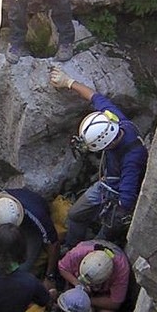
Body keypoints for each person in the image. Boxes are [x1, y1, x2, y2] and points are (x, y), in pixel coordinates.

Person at [49, 67, 148, 246]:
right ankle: (72, 247)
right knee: (75, 215)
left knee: (102, 238)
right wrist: (69, 82)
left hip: (115, 191)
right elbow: (95, 97)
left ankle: (91, 249)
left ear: (107, 144)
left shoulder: (132, 157)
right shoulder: (114, 120)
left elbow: (126, 197)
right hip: (107, 182)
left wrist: (116, 215)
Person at [58, 240, 131, 312]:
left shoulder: (121, 269)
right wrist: (77, 283)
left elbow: (115, 302)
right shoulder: (77, 253)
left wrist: (86, 301)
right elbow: (62, 267)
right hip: (77, 282)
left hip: (103, 294)